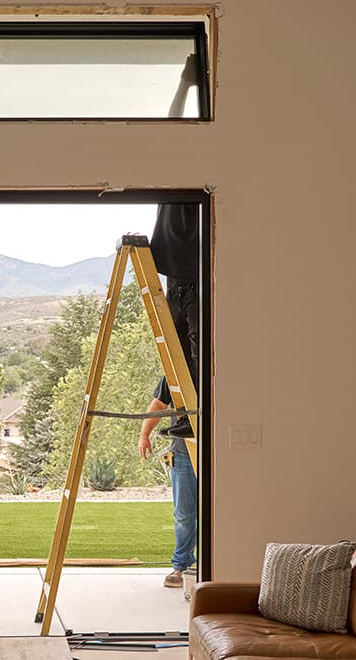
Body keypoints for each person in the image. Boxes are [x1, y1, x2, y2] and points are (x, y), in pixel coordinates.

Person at [139, 376, 197, 588]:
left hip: (214, 452)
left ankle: (214, 566)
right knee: (184, 514)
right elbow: (158, 405)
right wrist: (144, 434)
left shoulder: (216, 366)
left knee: (215, 515)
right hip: (183, 455)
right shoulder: (174, 371)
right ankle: (181, 566)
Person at [149, 202, 200, 437]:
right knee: (179, 350)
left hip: (196, 274)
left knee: (196, 347)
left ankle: (195, 414)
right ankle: (186, 416)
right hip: (176, 274)